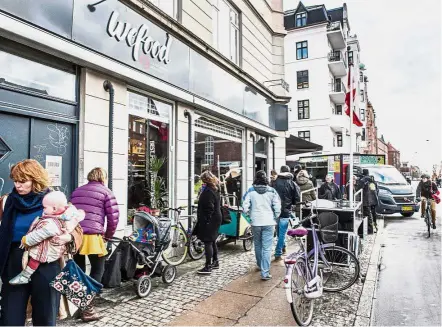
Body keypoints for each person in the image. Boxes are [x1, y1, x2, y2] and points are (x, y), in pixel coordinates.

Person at [0, 159, 60, 326]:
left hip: (45, 261)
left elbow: (74, 227)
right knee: (10, 317)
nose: (18, 185)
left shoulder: (52, 199)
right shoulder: (7, 201)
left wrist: (68, 238)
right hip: (14, 259)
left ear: (36, 180)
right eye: (16, 181)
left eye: (23, 181)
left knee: (45, 316)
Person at [70, 167, 119, 322]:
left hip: (76, 236)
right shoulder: (106, 192)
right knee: (98, 270)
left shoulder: (77, 191)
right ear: (103, 177)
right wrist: (108, 236)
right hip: (93, 236)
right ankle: (88, 309)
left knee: (80, 272)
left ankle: (80, 307)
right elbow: (113, 218)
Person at [9, 191, 84, 285]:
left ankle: (25, 276)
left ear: (54, 209)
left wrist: (26, 240)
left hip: (48, 256)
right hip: (22, 253)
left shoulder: (52, 222)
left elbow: (40, 234)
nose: (18, 185)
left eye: (44, 207)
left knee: (37, 257)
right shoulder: (64, 213)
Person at [242, 171, 281, 281]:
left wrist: (249, 216)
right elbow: (278, 207)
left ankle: (260, 265)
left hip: (255, 222)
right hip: (269, 221)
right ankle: (265, 272)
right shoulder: (272, 191)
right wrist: (275, 216)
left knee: (258, 245)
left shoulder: (250, 191)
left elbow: (244, 207)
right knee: (267, 248)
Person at [195, 171, 222, 275]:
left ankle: (208, 266)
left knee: (208, 242)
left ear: (204, 180)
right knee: (212, 240)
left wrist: (206, 221)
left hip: (210, 220)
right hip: (216, 218)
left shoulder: (208, 192)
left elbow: (209, 208)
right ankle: (215, 262)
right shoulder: (215, 188)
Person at [272, 166, 300, 260]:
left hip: (276, 211)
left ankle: (283, 247)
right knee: (282, 233)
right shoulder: (292, 183)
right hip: (286, 211)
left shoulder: (275, 182)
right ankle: (278, 252)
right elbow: (297, 198)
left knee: (279, 231)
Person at [357, 169, 377, 234]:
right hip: (372, 201)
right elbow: (375, 190)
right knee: (371, 216)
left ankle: (370, 230)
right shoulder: (372, 180)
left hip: (365, 201)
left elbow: (359, 188)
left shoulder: (363, 180)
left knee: (366, 216)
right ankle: (372, 229)